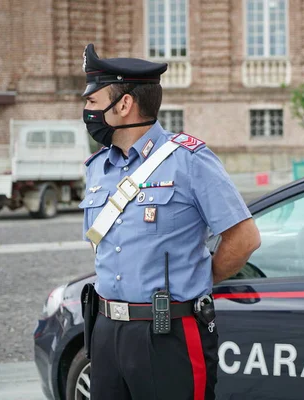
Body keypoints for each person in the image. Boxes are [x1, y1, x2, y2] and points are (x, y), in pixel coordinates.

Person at [79, 43, 261, 400]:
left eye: (93, 102)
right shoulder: (97, 167)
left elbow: (244, 238)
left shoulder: (189, 161)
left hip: (166, 331)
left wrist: (197, 279)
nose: (86, 111)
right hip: (106, 331)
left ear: (124, 105)